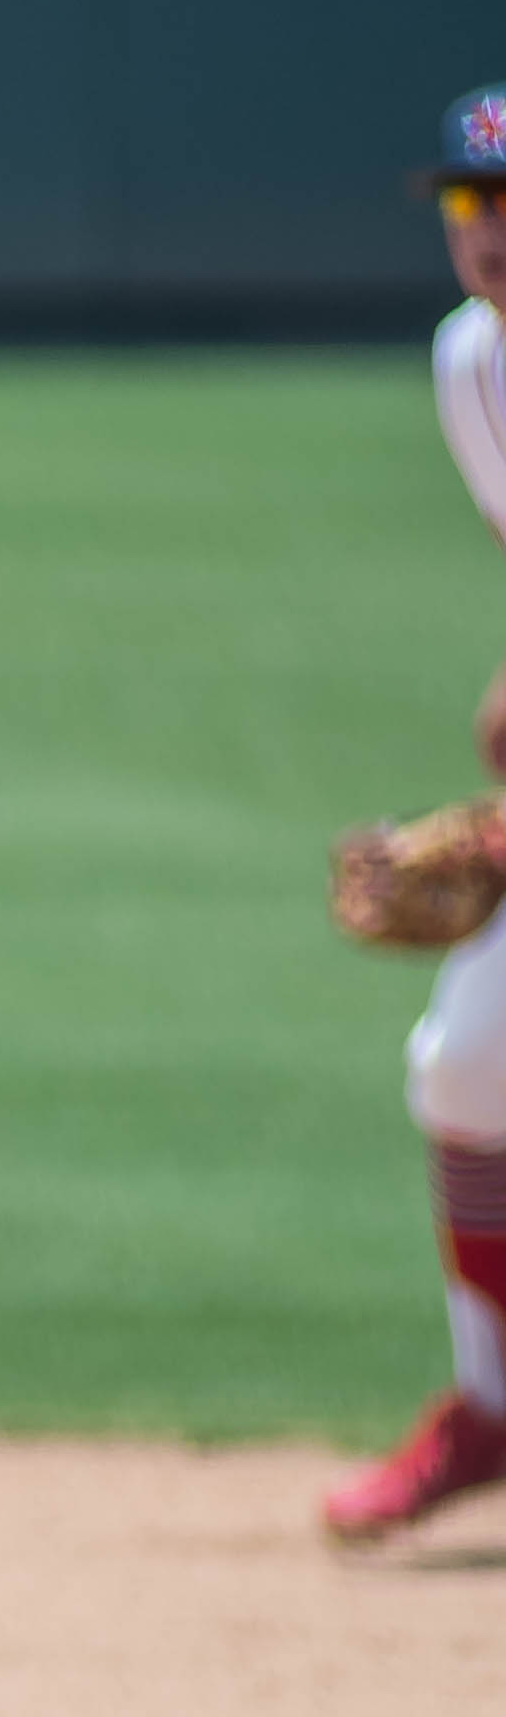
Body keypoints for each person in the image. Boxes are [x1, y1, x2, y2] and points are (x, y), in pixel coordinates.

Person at [324, 84, 506, 1547]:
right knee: (468, 1065)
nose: (487, 227)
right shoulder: (474, 364)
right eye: (467, 201)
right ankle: (491, 1407)